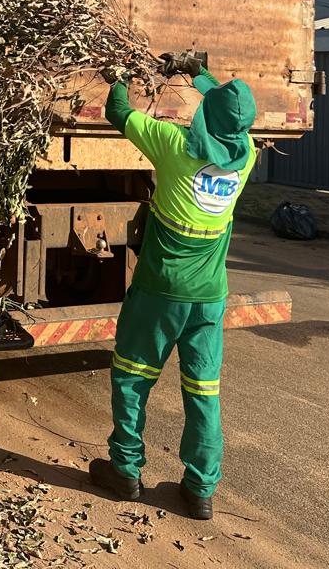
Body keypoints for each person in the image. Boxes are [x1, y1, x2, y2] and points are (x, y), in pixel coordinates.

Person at [89, 51, 258, 521]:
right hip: (209, 298)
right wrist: (197, 74)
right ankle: (200, 489)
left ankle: (125, 470)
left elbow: (117, 112)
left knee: (131, 376)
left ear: (205, 116)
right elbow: (230, 113)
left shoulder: (172, 143)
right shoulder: (247, 159)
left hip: (159, 292)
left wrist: (120, 76)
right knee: (204, 392)